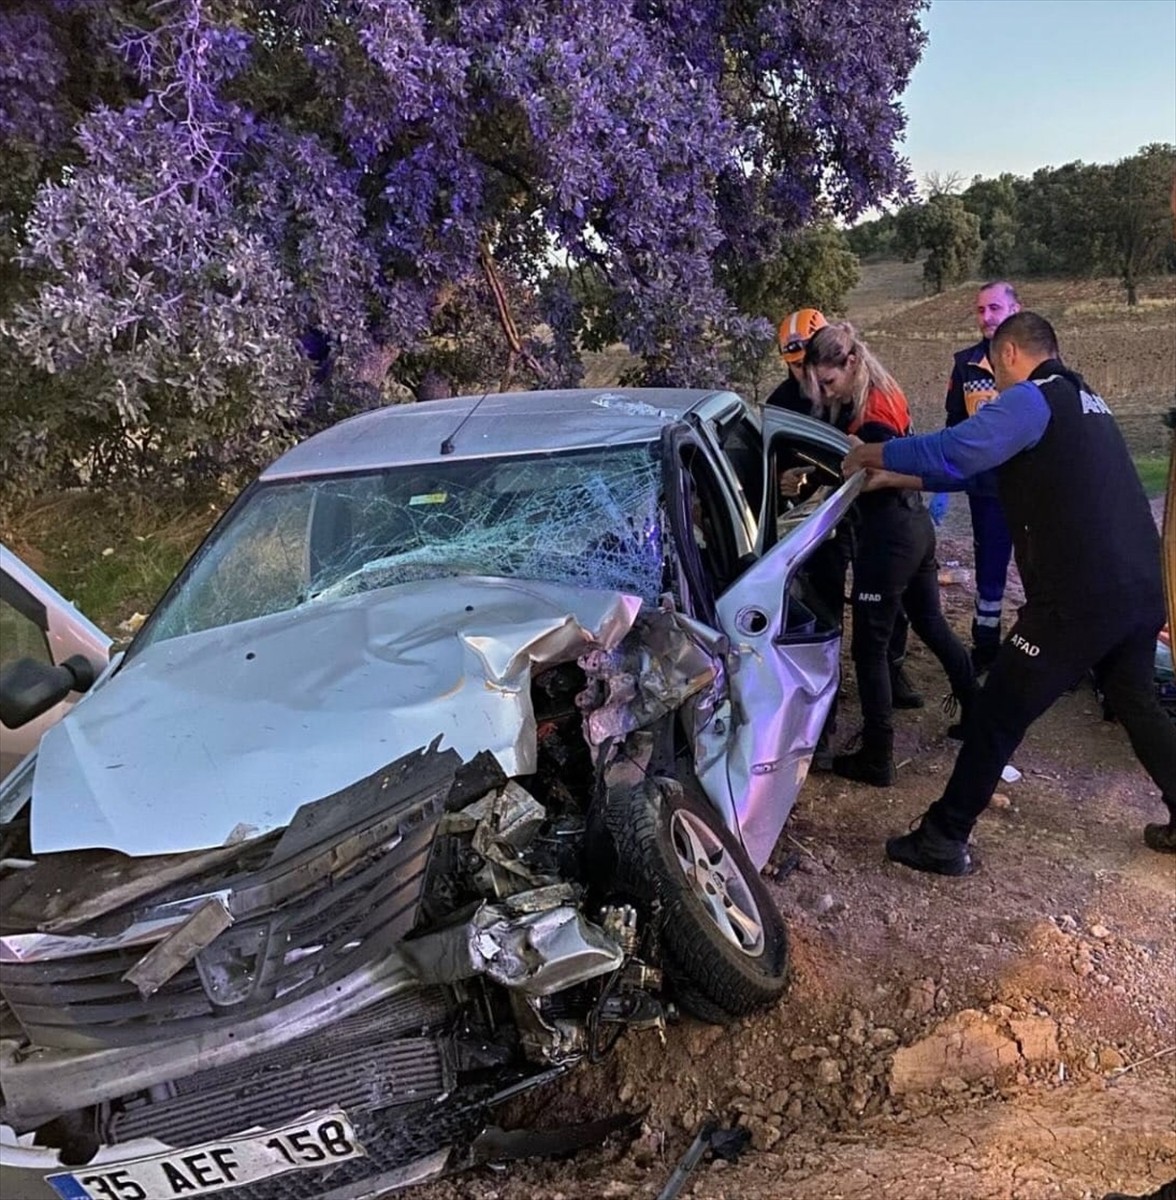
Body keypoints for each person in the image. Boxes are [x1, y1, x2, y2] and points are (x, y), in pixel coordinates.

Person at [844, 312, 1176, 872]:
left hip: (1078, 600)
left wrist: (874, 453)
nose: (993, 383)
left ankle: (943, 837)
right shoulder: (1083, 398)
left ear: (1012, 354)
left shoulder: (1030, 397)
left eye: (994, 369)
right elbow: (987, 474)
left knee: (997, 710)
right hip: (1139, 590)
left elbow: (961, 448)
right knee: (1135, 699)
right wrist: (899, 478)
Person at [803, 322, 974, 786]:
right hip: (915, 525)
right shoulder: (883, 389)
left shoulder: (871, 415)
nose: (824, 391)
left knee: (869, 649)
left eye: (829, 382)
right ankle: (976, 713)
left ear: (851, 363)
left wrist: (814, 480)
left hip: (889, 535)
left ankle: (877, 756)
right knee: (930, 621)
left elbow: (867, 476)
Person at [767, 309, 924, 715]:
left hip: (865, 509)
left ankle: (894, 669)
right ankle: (827, 692)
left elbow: (865, 455)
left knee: (886, 600)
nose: (809, 379)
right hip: (817, 520)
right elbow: (775, 457)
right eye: (797, 366)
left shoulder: (856, 394)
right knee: (826, 599)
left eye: (812, 365)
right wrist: (786, 478)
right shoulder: (782, 402)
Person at [944, 281, 1020, 673]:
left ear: (1014, 310)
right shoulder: (966, 364)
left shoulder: (1033, 361)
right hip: (987, 490)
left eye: (995, 308)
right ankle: (986, 644)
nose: (987, 317)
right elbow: (955, 423)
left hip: (1032, 489)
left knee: (1040, 568)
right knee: (989, 571)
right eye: (980, 310)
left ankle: (1045, 647)